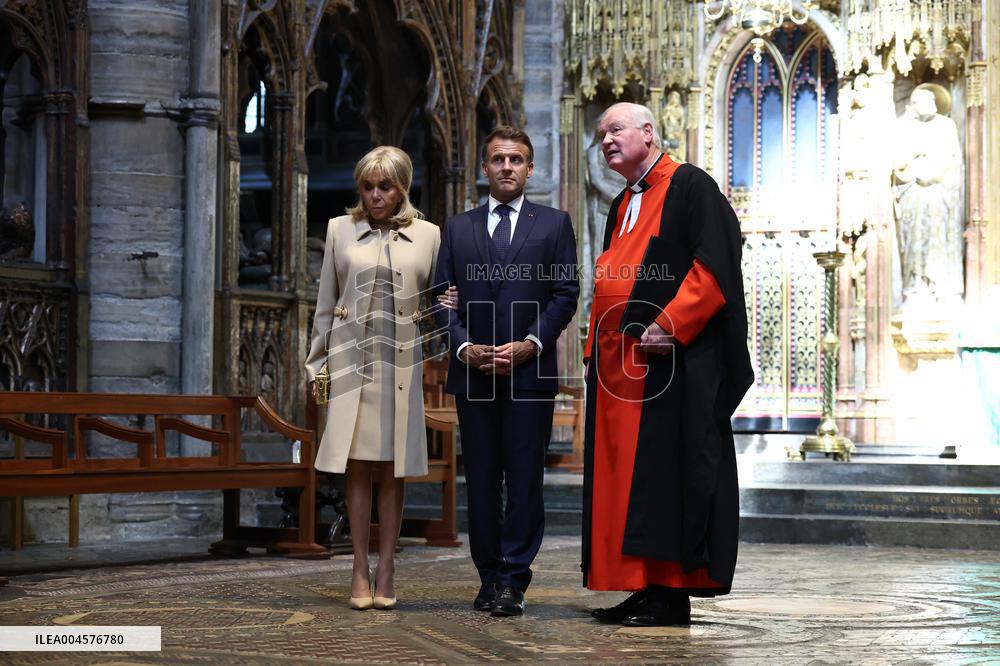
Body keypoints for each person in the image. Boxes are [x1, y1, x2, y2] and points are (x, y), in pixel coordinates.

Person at [581, 103, 753, 627]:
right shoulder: (622, 203)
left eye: (616, 130)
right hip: (622, 368)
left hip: (669, 366)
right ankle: (640, 585)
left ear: (648, 132)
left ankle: (669, 593)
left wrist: (672, 322)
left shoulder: (690, 187)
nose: (606, 140)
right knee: (627, 484)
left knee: (662, 480)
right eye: (601, 134)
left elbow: (714, 266)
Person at [434, 126, 579, 617]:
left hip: (529, 374)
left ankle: (515, 578)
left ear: (530, 168)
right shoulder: (457, 228)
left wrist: (530, 343)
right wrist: (464, 347)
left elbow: (565, 294)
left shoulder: (554, 224)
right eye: (498, 159)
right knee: (480, 479)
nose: (507, 167)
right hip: (473, 376)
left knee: (523, 479)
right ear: (485, 168)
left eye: (516, 159)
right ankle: (488, 573)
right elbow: (441, 299)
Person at [305, 145, 442, 611]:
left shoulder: (429, 236)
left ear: (403, 186)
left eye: (385, 186)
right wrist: (316, 367)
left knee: (392, 468)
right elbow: (324, 306)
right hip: (348, 364)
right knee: (356, 466)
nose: (375, 195)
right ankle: (358, 566)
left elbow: (438, 301)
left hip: (400, 365)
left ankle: (387, 566)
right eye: (368, 186)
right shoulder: (338, 230)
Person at [892, 84, 964, 308]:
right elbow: (896, 162)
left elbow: (953, 160)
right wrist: (913, 159)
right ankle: (915, 283)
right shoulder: (904, 127)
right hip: (912, 191)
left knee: (937, 237)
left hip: (938, 190)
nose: (931, 104)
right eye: (924, 101)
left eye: (933, 101)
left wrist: (932, 175)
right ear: (913, 105)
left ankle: (939, 285)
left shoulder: (946, 125)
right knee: (912, 238)